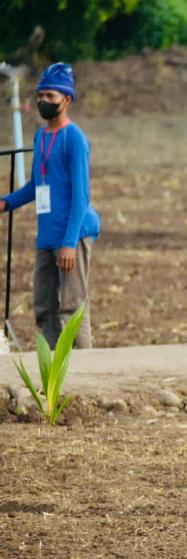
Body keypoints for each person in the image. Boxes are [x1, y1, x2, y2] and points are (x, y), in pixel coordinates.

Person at [0, 62, 100, 348]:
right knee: (44, 307)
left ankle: (83, 372)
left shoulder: (74, 139)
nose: (44, 101)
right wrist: (6, 203)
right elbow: (37, 185)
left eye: (51, 97)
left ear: (66, 100)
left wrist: (69, 243)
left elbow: (81, 197)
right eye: (41, 96)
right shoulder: (41, 137)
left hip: (73, 233)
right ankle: (52, 370)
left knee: (72, 308)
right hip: (47, 234)